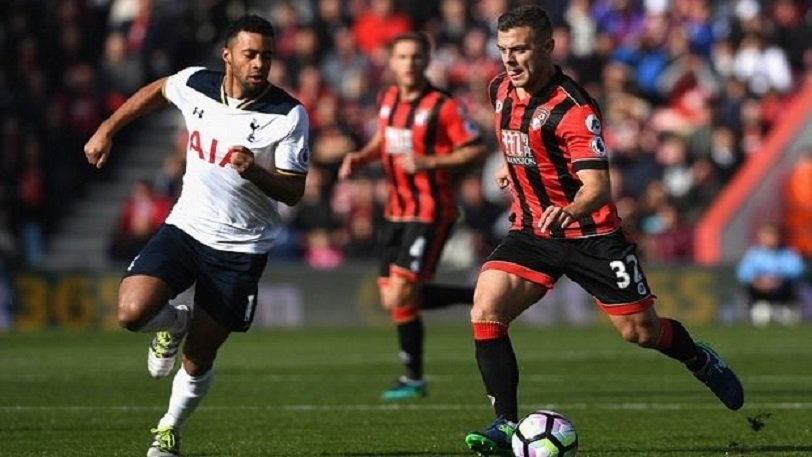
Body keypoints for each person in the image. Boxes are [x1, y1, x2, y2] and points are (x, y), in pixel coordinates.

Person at [462, 6, 744, 456]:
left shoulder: (574, 109)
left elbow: (597, 188)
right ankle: (505, 424)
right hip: (533, 230)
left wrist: (569, 210)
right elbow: (521, 142)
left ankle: (697, 357)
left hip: (591, 234)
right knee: (486, 307)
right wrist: (512, 170)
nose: (509, 60)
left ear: (548, 47)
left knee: (640, 332)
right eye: (503, 50)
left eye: (520, 50)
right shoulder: (500, 89)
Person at [83, 15, 309, 457]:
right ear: (228, 56)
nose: (259, 63)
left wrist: (255, 171)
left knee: (199, 355)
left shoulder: (288, 114)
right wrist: (107, 128)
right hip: (185, 227)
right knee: (131, 312)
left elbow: (294, 191)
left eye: (266, 55)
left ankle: (169, 428)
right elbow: (157, 90)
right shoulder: (195, 84)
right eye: (250, 54)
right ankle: (174, 322)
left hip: (241, 248)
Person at [339, 32, 487, 400]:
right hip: (395, 211)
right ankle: (475, 294)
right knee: (393, 299)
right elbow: (384, 140)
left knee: (402, 293)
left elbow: (474, 149)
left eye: (417, 57)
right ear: (391, 62)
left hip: (430, 212)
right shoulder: (388, 98)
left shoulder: (443, 106)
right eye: (403, 57)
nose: (409, 63)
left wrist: (429, 161)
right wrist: (361, 157)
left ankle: (413, 378)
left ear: (427, 61)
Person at [736, 222, 805, 326]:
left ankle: (784, 310)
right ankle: (760, 309)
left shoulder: (788, 253)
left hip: (782, 290)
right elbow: (743, 274)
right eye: (767, 235)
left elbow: (797, 270)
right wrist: (758, 281)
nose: (770, 239)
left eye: (773, 235)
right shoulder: (753, 254)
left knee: (789, 286)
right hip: (759, 291)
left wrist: (777, 279)